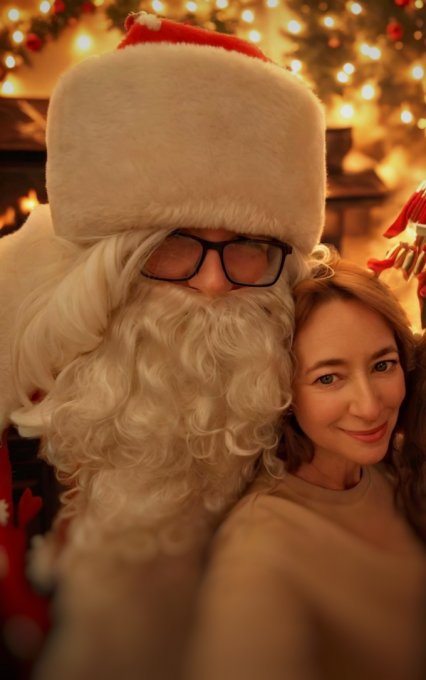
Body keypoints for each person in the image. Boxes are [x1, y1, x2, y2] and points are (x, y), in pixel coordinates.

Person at [0, 13, 327, 680]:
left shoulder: (317, 373)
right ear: (119, 256)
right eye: (176, 242)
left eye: (247, 245)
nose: (213, 282)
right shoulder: (29, 379)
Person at [189, 257, 426, 680]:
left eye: (382, 365)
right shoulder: (258, 551)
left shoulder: (387, 471)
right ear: (280, 390)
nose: (369, 406)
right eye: (328, 378)